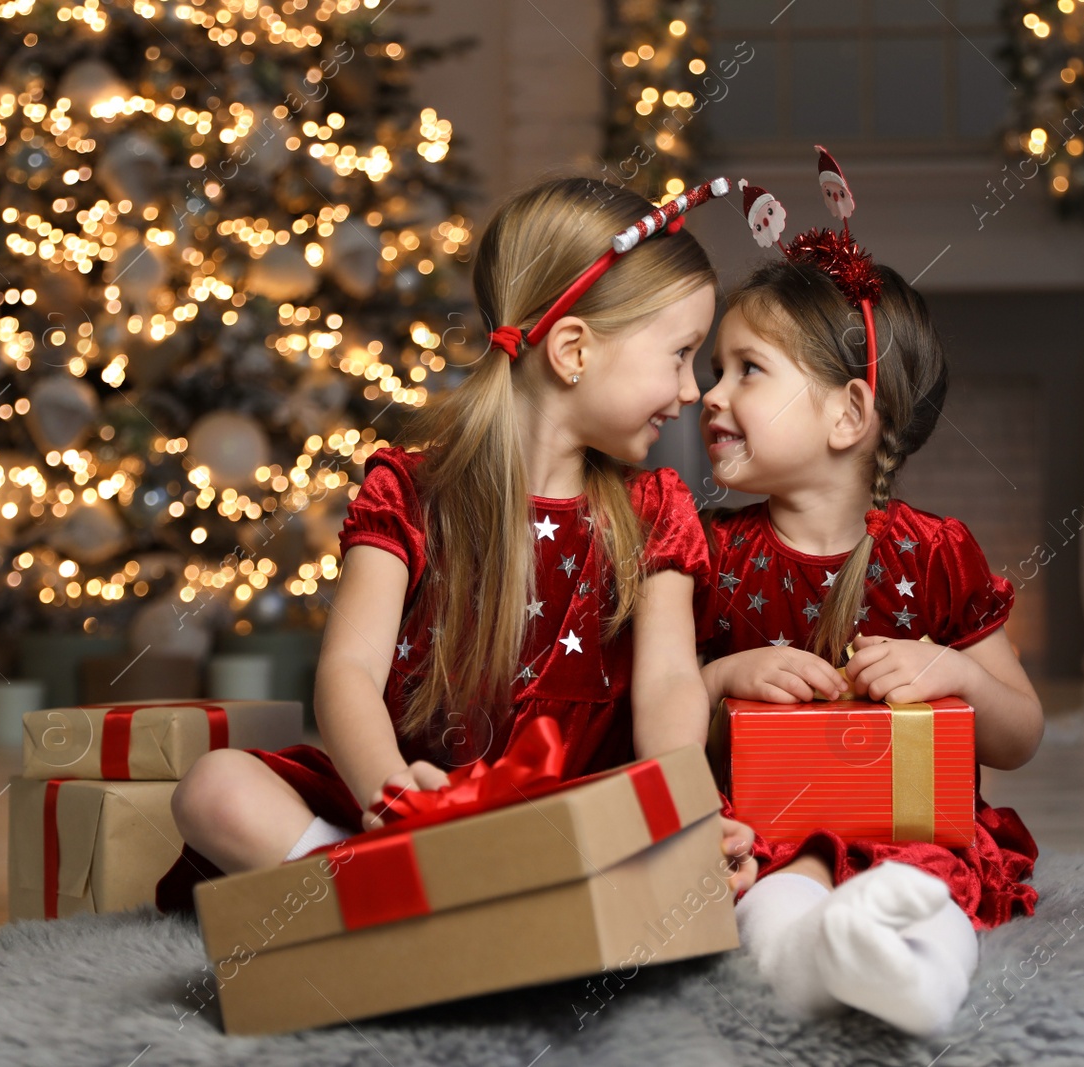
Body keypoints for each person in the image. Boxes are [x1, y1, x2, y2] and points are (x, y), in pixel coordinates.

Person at [155, 175, 758, 912]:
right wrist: (387, 791)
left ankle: (385, 910)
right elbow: (346, 668)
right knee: (213, 789)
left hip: (576, 820)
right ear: (573, 350)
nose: (693, 390)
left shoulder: (656, 510)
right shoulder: (408, 490)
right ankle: (396, 892)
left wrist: (680, 806)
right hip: (419, 814)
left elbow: (668, 684)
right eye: (681, 354)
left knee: (697, 853)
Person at [694, 149, 1043, 1035]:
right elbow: (647, 708)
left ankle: (908, 967)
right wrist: (724, 677)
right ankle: (812, 958)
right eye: (714, 368)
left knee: (931, 875)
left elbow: (1021, 733)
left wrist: (953, 673)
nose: (710, 393)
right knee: (774, 882)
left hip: (911, 818)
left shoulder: (934, 552)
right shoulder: (707, 552)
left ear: (850, 414)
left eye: (748, 370)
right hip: (764, 823)